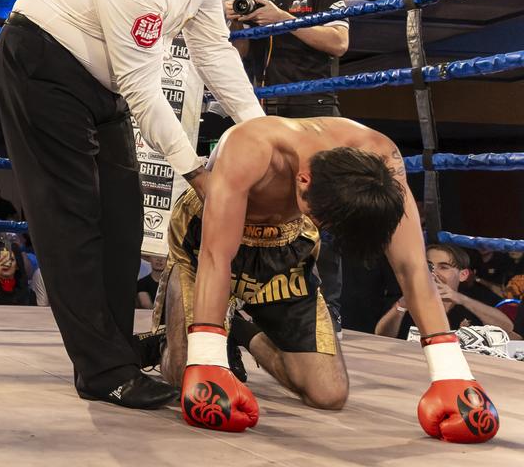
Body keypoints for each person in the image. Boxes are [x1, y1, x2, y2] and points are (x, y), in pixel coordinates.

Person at [0, 0, 265, 409]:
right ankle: (101, 371)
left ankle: (115, 344)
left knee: (123, 216)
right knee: (71, 218)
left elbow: (214, 52)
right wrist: (199, 174)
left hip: (100, 83)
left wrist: (262, 133)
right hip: (43, 66)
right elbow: (143, 88)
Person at [152, 116, 498, 443]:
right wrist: (208, 359)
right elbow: (216, 256)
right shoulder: (252, 147)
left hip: (288, 250)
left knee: (328, 394)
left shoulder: (381, 159)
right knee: (188, 375)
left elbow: (411, 268)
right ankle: (183, 332)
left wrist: (452, 374)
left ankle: (242, 329)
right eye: (318, 217)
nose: (321, 227)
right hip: (210, 244)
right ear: (303, 180)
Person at [228, 0, 350, 329]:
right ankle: (266, 303)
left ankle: (329, 307)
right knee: (264, 207)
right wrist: (234, 24)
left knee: (322, 206)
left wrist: (284, 19)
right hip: (263, 102)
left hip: (313, 102)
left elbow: (339, 41)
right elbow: (242, 56)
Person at [374, 244, 516, 339]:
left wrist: (460, 298)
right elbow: (382, 336)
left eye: (443, 267)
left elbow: (507, 328)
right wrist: (401, 305)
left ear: (463, 275)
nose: (433, 273)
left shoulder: (472, 302)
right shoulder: (409, 301)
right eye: (429, 266)